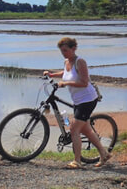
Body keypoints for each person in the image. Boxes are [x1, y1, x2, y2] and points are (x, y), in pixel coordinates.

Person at [43, 37, 110, 169]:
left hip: (88, 99)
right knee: (86, 130)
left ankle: (77, 161)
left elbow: (84, 82)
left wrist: (65, 83)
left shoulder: (80, 62)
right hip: (78, 101)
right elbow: (66, 73)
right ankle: (104, 153)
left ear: (74, 49)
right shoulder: (67, 61)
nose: (64, 53)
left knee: (74, 129)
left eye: (66, 50)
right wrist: (52, 75)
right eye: (62, 51)